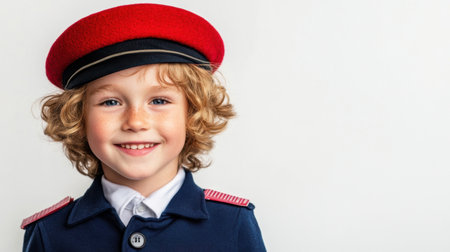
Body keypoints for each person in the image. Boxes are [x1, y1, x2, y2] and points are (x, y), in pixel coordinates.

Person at [21, 3, 266, 252]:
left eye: (159, 101)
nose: (136, 122)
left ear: (192, 113)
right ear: (77, 117)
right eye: (111, 102)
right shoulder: (49, 232)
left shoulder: (232, 223)